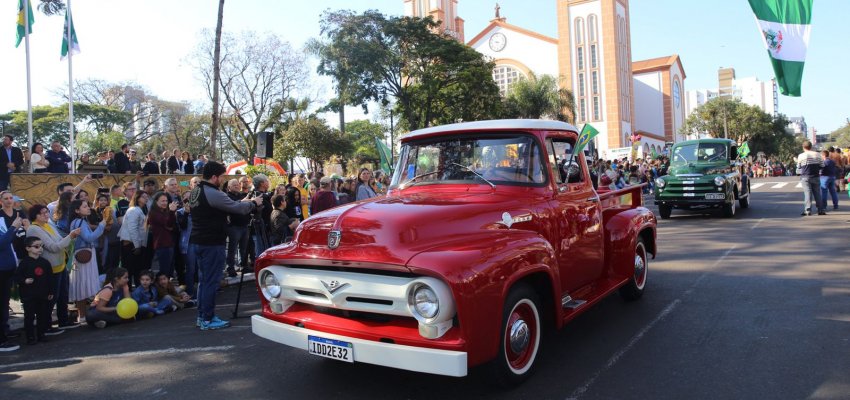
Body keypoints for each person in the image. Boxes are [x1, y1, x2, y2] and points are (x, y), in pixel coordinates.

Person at [189, 161, 261, 330]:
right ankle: (207, 318)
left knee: (204, 281)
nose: (223, 180)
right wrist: (253, 203)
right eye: (221, 176)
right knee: (211, 281)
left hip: (198, 240)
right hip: (211, 242)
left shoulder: (196, 191)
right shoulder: (212, 192)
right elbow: (237, 208)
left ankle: (202, 316)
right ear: (214, 177)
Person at [27, 204, 81, 330]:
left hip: (61, 264)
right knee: (51, 297)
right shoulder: (34, 229)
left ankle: (64, 320)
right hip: (50, 267)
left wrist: (69, 239)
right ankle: (46, 325)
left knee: (63, 295)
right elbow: (53, 247)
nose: (46, 215)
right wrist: (71, 236)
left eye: (47, 212)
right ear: (35, 216)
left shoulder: (48, 224)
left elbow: (60, 240)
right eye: (42, 213)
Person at [15, 237, 60, 344]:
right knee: (29, 317)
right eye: (36, 246)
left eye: (41, 246)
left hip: (42, 294)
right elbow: (16, 277)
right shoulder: (24, 263)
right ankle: (30, 337)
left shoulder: (45, 262)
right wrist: (25, 280)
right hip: (29, 295)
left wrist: (51, 292)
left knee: (42, 316)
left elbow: (51, 278)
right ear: (28, 248)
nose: (40, 249)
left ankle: (41, 335)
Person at [68, 200, 107, 324]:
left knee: (82, 285)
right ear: (77, 210)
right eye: (85, 207)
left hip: (83, 255)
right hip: (84, 256)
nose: (88, 208)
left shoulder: (79, 221)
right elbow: (89, 238)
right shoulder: (79, 222)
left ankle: (84, 316)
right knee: (83, 285)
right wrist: (101, 226)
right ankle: (85, 316)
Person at [0, 213, 25, 351]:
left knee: (4, 305)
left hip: (6, 271)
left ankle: (5, 331)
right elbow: (2, 243)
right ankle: (1, 341)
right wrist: (13, 228)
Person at [117, 191, 149, 288]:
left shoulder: (140, 210)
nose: (146, 198)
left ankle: (133, 291)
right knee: (129, 270)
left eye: (146, 197)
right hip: (130, 244)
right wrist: (137, 246)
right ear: (138, 198)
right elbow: (133, 229)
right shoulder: (134, 210)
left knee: (135, 270)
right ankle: (127, 291)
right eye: (144, 197)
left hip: (134, 244)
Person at [147, 192, 178, 278]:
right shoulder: (153, 213)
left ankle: (166, 289)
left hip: (169, 244)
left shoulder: (165, 212)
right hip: (162, 245)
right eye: (162, 201)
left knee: (169, 271)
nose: (165, 203)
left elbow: (172, 226)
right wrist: (171, 212)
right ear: (156, 201)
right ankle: (160, 290)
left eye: (166, 201)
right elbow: (168, 224)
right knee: (164, 272)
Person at [225, 179, 250, 278]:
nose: (236, 186)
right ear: (229, 187)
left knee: (243, 248)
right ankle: (230, 267)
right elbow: (235, 206)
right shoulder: (227, 196)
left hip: (244, 225)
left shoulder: (241, 195)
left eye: (237, 184)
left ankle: (243, 265)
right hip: (234, 226)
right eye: (233, 185)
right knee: (232, 249)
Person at [796, 140, 825, 216]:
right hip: (815, 176)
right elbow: (822, 165)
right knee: (817, 193)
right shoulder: (818, 154)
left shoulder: (801, 156)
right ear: (811, 147)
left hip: (805, 177)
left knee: (807, 193)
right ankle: (820, 210)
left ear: (803, 147)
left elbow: (799, 167)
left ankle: (808, 210)